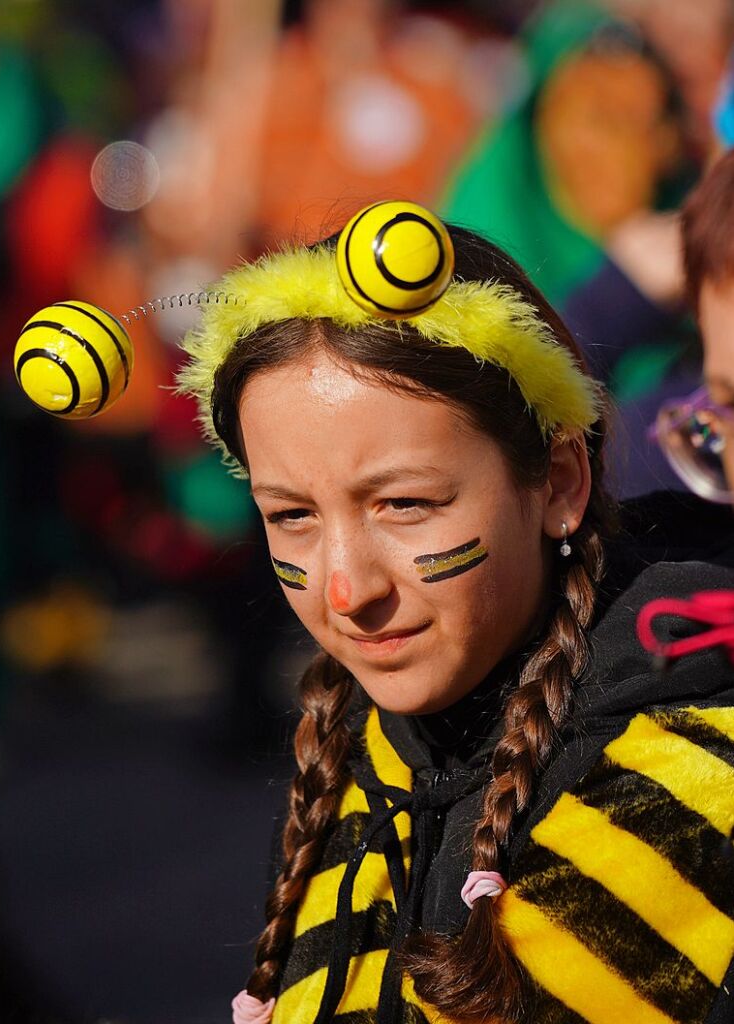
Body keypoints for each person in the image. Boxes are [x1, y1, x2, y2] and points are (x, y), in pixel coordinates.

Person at [177, 205, 734, 1023]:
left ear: (560, 482)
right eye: (291, 515)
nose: (346, 590)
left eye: (405, 504)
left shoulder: (694, 789)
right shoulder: (349, 757)